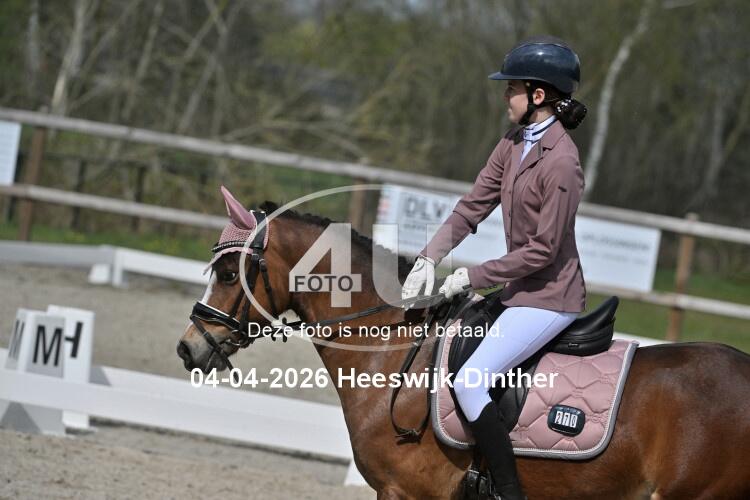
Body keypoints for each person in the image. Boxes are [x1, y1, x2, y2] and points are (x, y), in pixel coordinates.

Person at [401, 36, 588, 500]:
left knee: (469, 382)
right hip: (516, 291)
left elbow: (544, 249)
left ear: (538, 95)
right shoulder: (512, 143)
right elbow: (473, 206)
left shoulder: (562, 163)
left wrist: (473, 275)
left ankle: (508, 491)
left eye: (512, 88)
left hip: (549, 298)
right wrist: (430, 255)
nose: (505, 95)